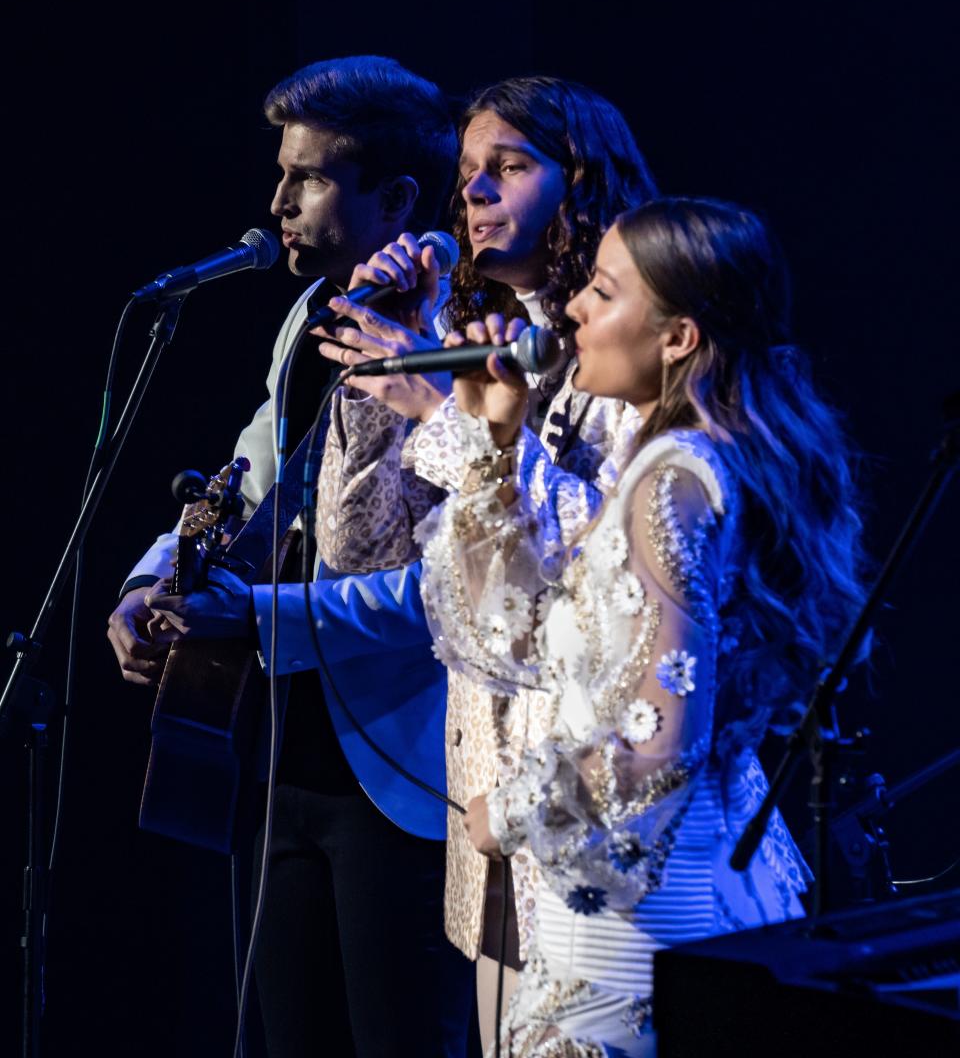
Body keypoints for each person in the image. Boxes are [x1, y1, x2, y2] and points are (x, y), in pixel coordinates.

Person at [416, 197, 866, 1055]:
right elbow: (527, 642)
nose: (575, 308)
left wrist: (503, 813)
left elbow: (656, 749)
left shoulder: (669, 477)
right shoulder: (717, 459)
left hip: (638, 942)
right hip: (718, 902)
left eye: (603, 292)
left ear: (679, 337)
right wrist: (493, 449)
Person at [106, 56, 475, 1058]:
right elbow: (253, 466)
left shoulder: (463, 341)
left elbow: (462, 586)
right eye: (283, 172)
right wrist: (151, 580)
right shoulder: (307, 314)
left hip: (406, 766)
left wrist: (257, 617)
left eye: (308, 178)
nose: (277, 201)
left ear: (396, 197)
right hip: (279, 748)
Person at [307, 76, 658, 1048]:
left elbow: (587, 591)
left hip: (586, 803)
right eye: (466, 174)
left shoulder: (628, 364)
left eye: (507, 167)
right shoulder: (486, 349)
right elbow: (359, 549)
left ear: (583, 181)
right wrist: (396, 373)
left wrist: (461, 432)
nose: (472, 193)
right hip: (490, 817)